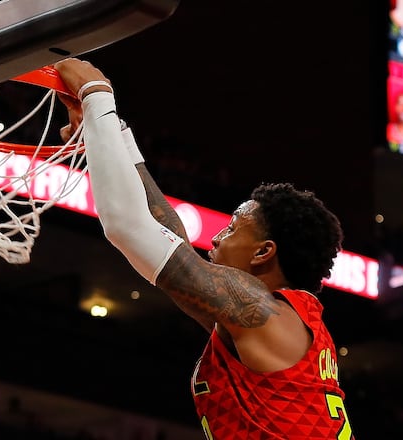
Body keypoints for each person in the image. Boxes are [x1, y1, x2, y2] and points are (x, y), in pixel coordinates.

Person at [53, 58, 355, 439]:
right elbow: (168, 240)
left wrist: (97, 96)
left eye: (231, 229)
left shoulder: (262, 311)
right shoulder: (266, 319)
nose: (215, 238)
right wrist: (113, 131)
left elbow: (130, 228)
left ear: (263, 252)